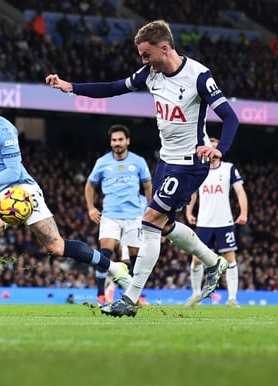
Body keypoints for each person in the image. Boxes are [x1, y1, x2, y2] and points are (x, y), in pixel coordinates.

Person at [47, 19, 240, 317]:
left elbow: (230, 117)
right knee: (163, 225)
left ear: (165, 47)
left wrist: (218, 149)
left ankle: (130, 299)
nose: (143, 61)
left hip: (190, 164)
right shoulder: (150, 74)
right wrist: (71, 87)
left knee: (149, 221)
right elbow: (112, 88)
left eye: (146, 54)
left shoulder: (198, 76)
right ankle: (213, 262)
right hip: (166, 161)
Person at [0, 79, 132, 314]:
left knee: (56, 247)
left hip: (22, 191)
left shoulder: (4, 130)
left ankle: (114, 268)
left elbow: (14, 171)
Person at [85, 124, 152, 305]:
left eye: (120, 139)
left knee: (136, 257)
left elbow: (147, 186)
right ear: (111, 142)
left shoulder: (138, 162)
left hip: (134, 216)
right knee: (104, 254)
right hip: (110, 215)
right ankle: (100, 296)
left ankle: (135, 295)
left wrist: (150, 209)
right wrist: (91, 208)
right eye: (114, 140)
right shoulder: (102, 162)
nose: (117, 143)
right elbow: (90, 185)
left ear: (127, 141)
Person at [185, 137, 248, 307]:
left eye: (215, 146)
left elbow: (240, 192)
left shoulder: (229, 169)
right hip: (204, 222)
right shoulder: (200, 170)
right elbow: (193, 194)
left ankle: (232, 298)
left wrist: (243, 213)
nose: (212, 149)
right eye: (209, 146)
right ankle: (196, 294)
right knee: (196, 259)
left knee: (230, 259)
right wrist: (189, 211)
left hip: (224, 221)